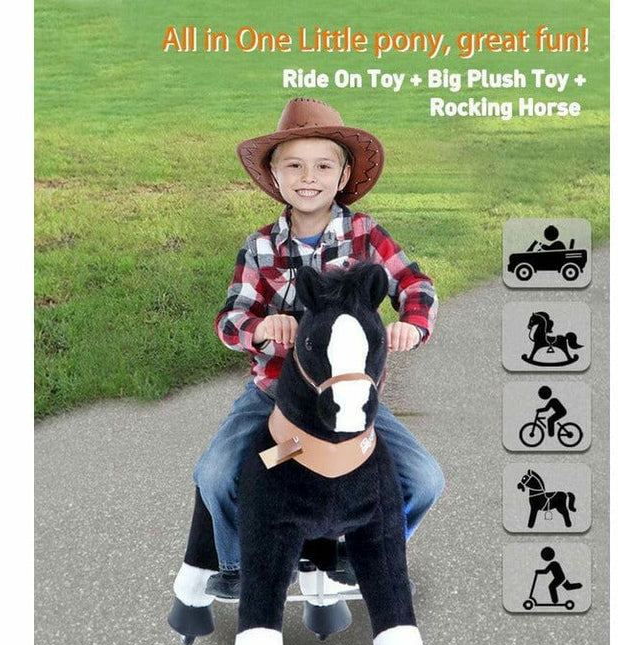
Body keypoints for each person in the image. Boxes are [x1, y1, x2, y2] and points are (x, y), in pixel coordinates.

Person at [187, 97, 445, 599]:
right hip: (274, 397)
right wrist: (262, 328)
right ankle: (242, 564)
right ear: (275, 175)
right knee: (215, 473)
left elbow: (416, 286)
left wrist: (412, 325)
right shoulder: (260, 246)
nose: (309, 177)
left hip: (351, 400)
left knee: (424, 478)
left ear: (343, 174)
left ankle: (360, 550)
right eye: (294, 166)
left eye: (323, 166)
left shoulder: (366, 235)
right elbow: (230, 319)